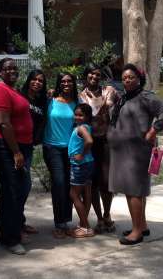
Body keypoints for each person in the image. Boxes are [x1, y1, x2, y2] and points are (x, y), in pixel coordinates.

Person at [107, 64, 163, 246]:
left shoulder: (145, 97)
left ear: (139, 79)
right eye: (124, 78)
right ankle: (141, 225)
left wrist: (153, 130)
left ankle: (136, 232)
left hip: (136, 152)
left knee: (133, 190)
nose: (127, 80)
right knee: (138, 190)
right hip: (123, 152)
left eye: (131, 77)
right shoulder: (124, 98)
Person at [0, 58, 33, 255]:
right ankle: (10, 239)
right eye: (8, 68)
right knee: (12, 190)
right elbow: (3, 123)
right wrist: (16, 151)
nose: (12, 71)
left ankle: (15, 228)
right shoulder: (0, 90)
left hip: (19, 145)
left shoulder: (11, 89)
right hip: (5, 147)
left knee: (21, 187)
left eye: (15, 68)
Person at [79, 63, 119, 234]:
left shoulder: (108, 91)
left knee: (105, 180)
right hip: (88, 142)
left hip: (105, 141)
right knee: (92, 182)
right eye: (91, 74)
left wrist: (109, 102)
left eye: (97, 75)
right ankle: (100, 219)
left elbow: (115, 103)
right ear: (86, 76)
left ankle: (107, 214)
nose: (94, 77)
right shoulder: (80, 95)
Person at [43, 72, 78, 239]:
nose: (66, 84)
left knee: (69, 184)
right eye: (63, 81)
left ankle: (65, 221)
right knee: (58, 183)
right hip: (52, 148)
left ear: (73, 84)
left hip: (71, 149)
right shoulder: (50, 100)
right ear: (58, 83)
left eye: (69, 81)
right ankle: (59, 223)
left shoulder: (77, 103)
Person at [19, 69, 49, 236]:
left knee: (24, 185)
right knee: (21, 184)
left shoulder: (42, 101)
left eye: (40, 81)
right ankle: (16, 223)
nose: (37, 82)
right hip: (16, 146)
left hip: (29, 146)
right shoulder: (19, 96)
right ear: (28, 80)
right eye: (34, 79)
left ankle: (20, 221)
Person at [67, 103, 95, 238]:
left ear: (87, 116)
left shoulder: (82, 128)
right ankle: (84, 224)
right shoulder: (86, 127)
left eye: (81, 115)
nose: (77, 117)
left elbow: (89, 141)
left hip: (79, 165)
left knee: (73, 195)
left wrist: (81, 155)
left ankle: (85, 227)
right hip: (88, 164)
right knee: (87, 192)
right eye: (76, 114)